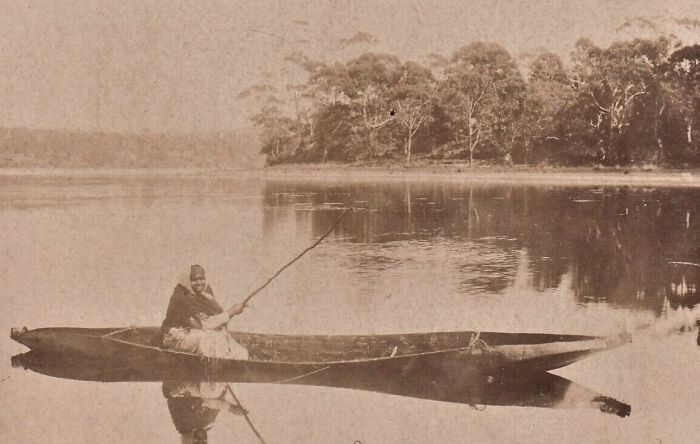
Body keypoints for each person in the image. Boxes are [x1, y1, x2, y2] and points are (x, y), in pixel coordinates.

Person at [161, 264, 249, 359]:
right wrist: (231, 312)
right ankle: (216, 370)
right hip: (178, 337)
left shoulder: (206, 295)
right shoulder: (181, 297)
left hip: (202, 334)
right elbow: (200, 325)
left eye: (202, 278)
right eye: (194, 280)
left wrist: (234, 312)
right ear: (186, 281)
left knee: (240, 352)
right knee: (209, 340)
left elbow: (219, 319)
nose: (199, 283)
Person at [163, 380, 248, 444]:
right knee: (216, 390)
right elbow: (217, 401)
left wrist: (231, 408)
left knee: (212, 392)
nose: (201, 438)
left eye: (197, 442)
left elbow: (171, 394)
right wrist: (232, 408)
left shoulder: (183, 424)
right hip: (205, 382)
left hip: (186, 381)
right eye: (204, 442)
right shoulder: (208, 423)